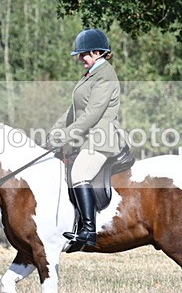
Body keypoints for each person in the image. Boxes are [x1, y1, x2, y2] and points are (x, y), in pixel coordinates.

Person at [47, 28, 125, 247]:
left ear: (98, 53)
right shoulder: (90, 75)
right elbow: (73, 111)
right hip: (86, 138)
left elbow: (92, 114)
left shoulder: (106, 76)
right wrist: (54, 132)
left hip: (101, 138)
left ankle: (89, 231)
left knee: (79, 174)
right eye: (80, 54)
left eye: (84, 54)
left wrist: (64, 136)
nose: (80, 58)